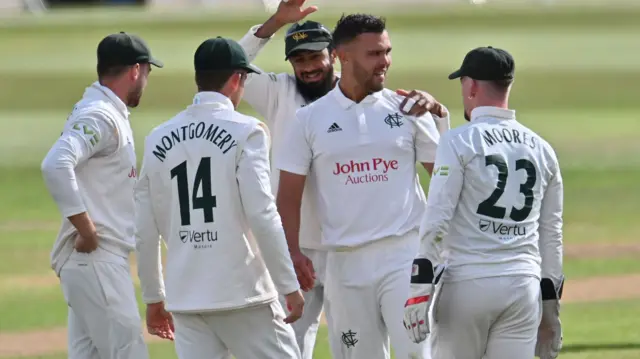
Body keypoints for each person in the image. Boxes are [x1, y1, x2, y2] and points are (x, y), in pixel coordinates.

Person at [237, 2, 449, 357]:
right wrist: (290, 250)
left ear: (331, 57)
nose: (384, 61)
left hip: (402, 254)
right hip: (336, 257)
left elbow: (446, 181)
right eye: (374, 53)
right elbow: (287, 195)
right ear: (344, 55)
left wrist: (440, 118)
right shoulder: (301, 111)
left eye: (387, 52)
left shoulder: (407, 109)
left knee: (416, 352)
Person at [134, 36, 304, 359]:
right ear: (237, 79)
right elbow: (263, 214)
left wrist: (154, 297)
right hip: (243, 293)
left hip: (186, 297)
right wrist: (288, 286)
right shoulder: (248, 131)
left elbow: (144, 228)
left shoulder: (157, 139)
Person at [403, 46, 564, 359]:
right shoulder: (543, 150)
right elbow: (551, 235)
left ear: (471, 85)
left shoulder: (458, 141)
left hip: (467, 286)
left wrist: (419, 288)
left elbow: (437, 216)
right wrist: (551, 308)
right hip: (523, 288)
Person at [40, 31, 162, 359]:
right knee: (129, 353)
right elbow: (55, 164)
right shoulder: (101, 115)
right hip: (97, 256)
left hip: (93, 262)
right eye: (147, 72)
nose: (146, 81)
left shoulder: (103, 110)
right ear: (136, 70)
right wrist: (86, 228)